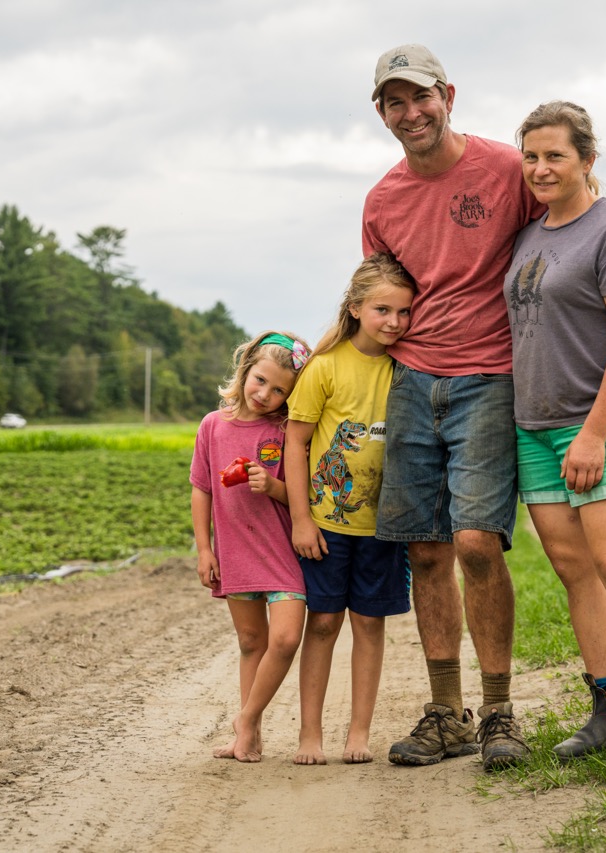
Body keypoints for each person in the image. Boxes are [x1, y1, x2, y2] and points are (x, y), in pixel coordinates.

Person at [363, 43, 546, 770]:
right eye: (394, 103)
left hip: (491, 375)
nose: (411, 113)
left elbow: (563, 227)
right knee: (426, 548)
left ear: (449, 94)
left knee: (475, 541)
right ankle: (448, 713)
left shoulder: (505, 169)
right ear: (382, 114)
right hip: (413, 381)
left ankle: (501, 710)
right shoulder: (382, 200)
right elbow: (381, 296)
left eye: (421, 97)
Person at [507, 100, 606, 785]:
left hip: (601, 422)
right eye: (532, 156)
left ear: (587, 160)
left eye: (555, 156)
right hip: (535, 427)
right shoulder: (532, 233)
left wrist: (595, 433)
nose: (541, 168)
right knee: (574, 568)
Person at [284, 252, 414, 765]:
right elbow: (295, 445)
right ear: (357, 308)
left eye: (404, 313)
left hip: (383, 527)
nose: (395, 323)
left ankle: (358, 733)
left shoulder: (407, 366)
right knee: (321, 624)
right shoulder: (325, 367)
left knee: (369, 625)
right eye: (384, 310)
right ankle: (309, 734)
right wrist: (300, 519)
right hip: (325, 526)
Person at [190, 329, 312, 763]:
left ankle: (245, 717)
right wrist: (205, 550)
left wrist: (273, 485)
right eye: (261, 380)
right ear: (245, 371)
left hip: (282, 553)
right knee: (250, 642)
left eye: (280, 390)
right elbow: (201, 489)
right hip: (235, 551)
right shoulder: (213, 426)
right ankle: (251, 735)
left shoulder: (287, 430)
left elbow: (301, 492)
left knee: (283, 639)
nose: (266, 394)